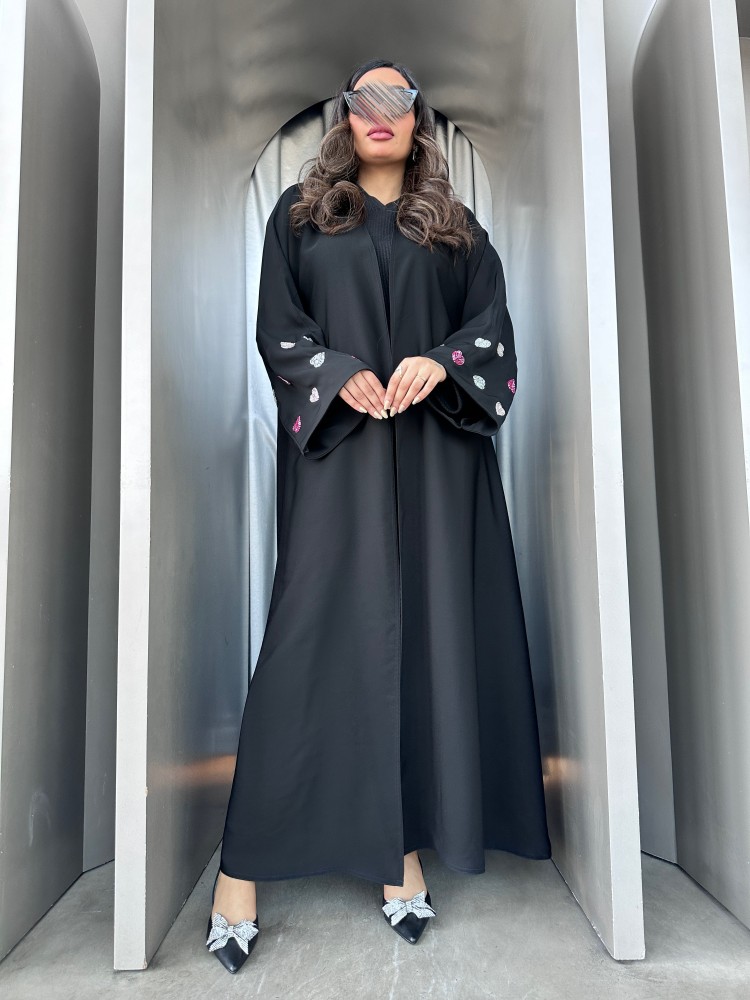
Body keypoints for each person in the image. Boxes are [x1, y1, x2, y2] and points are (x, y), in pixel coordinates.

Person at [205, 58, 552, 974]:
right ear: (346, 117)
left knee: (428, 648)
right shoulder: (302, 217)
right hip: (340, 459)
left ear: (418, 118)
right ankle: (239, 869)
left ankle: (401, 856)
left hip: (439, 465)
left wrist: (443, 361)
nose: (382, 112)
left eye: (399, 99)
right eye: (366, 99)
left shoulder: (457, 230)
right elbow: (278, 327)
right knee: (308, 642)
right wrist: (332, 372)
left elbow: (494, 334)